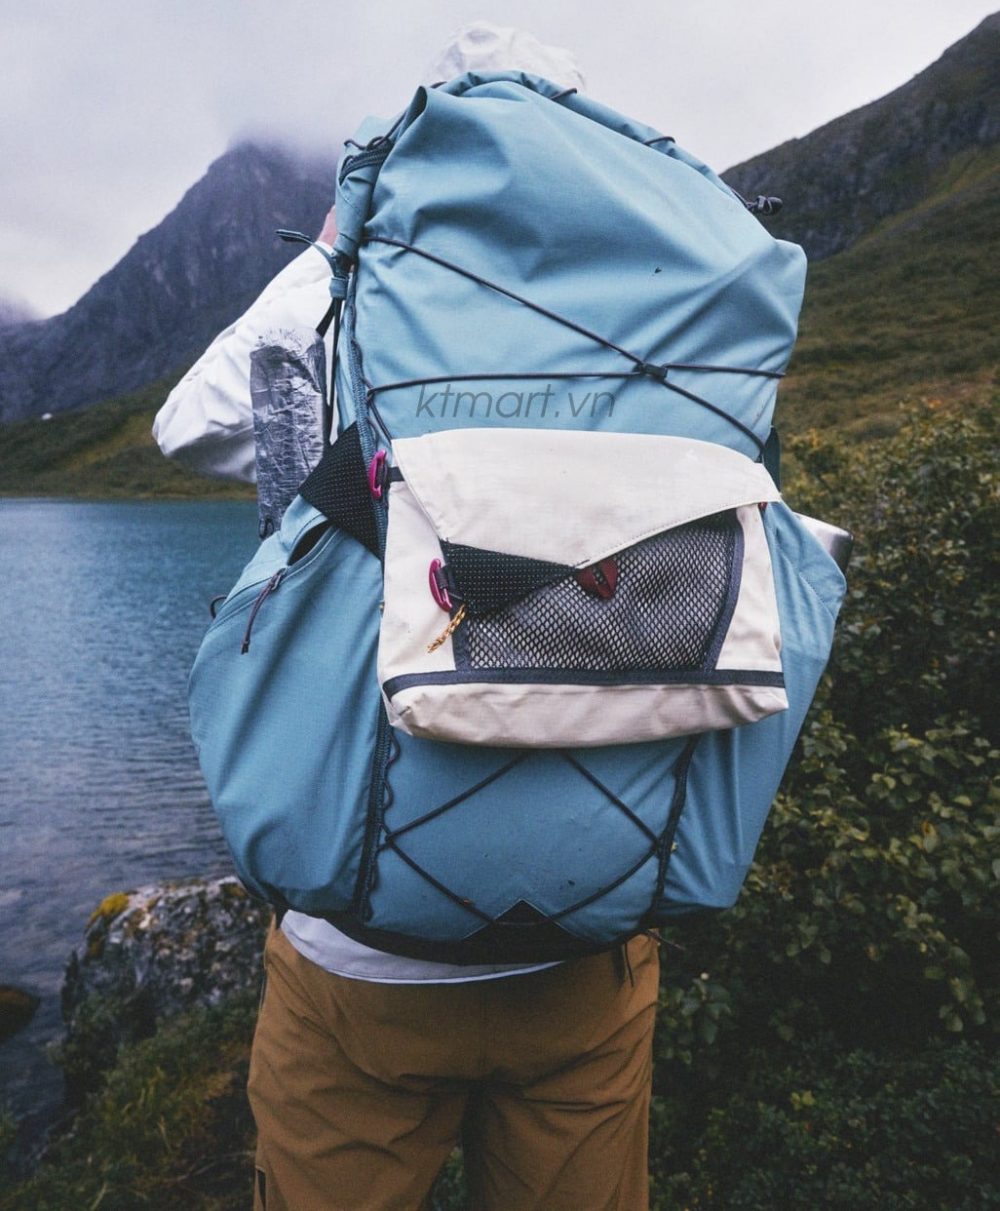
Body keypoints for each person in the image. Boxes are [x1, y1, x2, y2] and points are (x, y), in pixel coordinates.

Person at [155, 23, 659, 1211]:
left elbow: (191, 424)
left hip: (362, 950)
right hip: (588, 928)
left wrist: (338, 240)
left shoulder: (360, 313)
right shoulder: (655, 320)